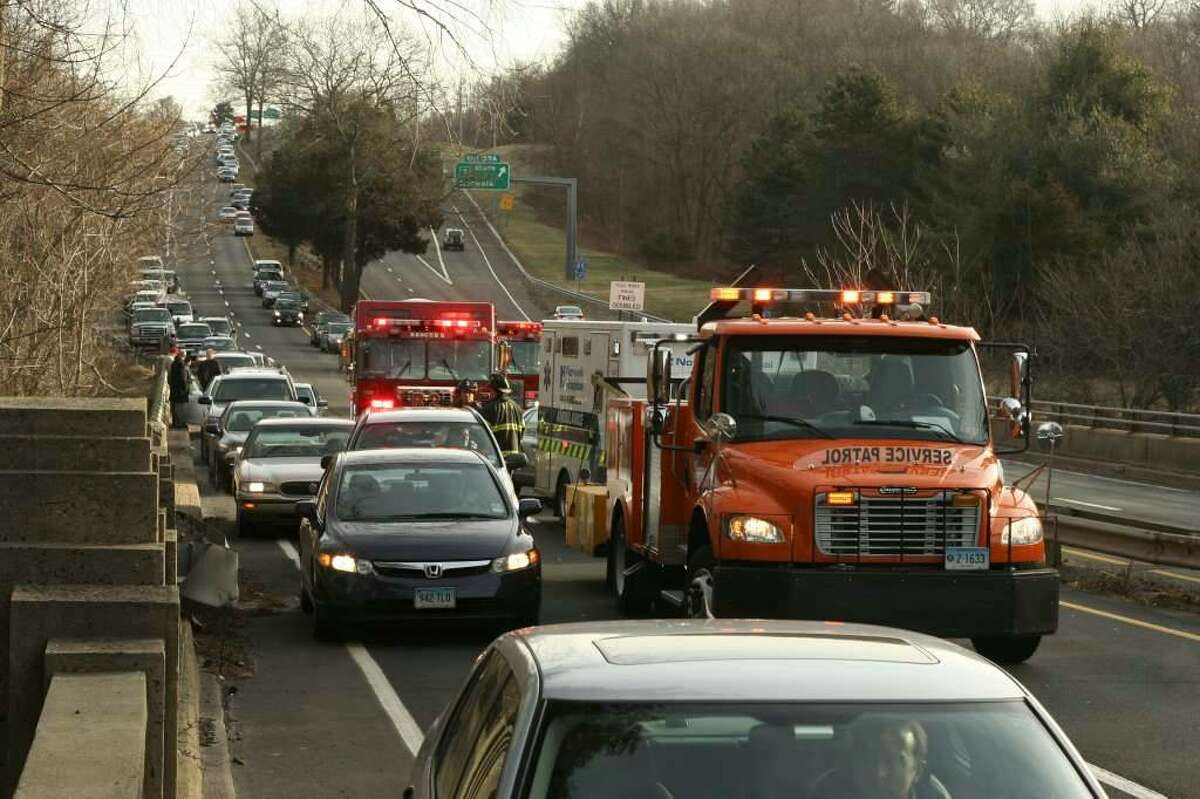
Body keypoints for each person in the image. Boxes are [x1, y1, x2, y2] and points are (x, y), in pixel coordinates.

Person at [811, 717, 950, 799]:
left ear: (917, 771)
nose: (879, 773)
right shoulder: (828, 793)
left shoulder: (935, 796)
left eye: (892, 762)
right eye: (870, 759)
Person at [480, 373, 524, 458]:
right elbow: (522, 431)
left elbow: (483, 435)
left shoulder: (490, 408)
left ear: (494, 390)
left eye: (490, 390)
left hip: (497, 458)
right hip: (515, 458)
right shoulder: (517, 408)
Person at [168, 352, 189, 429]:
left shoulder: (173, 364)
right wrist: (185, 388)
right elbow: (183, 378)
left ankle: (175, 423)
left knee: (174, 408)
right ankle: (180, 423)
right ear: (183, 356)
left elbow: (170, 376)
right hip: (180, 391)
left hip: (173, 389)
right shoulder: (181, 364)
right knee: (180, 408)